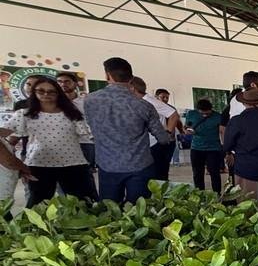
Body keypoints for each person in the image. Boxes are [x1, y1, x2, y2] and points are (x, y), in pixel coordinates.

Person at [85, 57, 168, 204]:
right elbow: (162, 138)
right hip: (140, 165)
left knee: (110, 209)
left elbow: (89, 127)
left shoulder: (90, 100)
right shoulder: (144, 105)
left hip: (107, 165)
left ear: (107, 76)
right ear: (131, 78)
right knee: (138, 210)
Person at [9, 77, 96, 207]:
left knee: (83, 203)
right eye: (41, 91)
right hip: (39, 164)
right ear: (34, 92)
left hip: (73, 163)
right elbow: (8, 137)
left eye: (51, 91)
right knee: (39, 204)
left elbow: (87, 135)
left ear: (58, 93)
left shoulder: (72, 113)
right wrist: (14, 163)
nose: (46, 94)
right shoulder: (24, 114)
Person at [134, 81, 181, 182]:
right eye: (163, 97)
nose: (165, 99)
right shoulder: (137, 101)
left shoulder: (150, 101)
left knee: (159, 174)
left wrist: (168, 133)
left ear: (132, 88)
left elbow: (174, 115)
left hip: (156, 143)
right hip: (147, 144)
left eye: (166, 97)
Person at [56, 71, 95, 169]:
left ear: (75, 84)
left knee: (86, 171)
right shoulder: (53, 103)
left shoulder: (86, 101)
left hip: (85, 141)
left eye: (67, 81)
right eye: (59, 82)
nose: (63, 84)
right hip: (61, 142)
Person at [184, 99, 224, 193]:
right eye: (202, 113)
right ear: (197, 110)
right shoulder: (191, 114)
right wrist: (187, 131)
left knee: (215, 173)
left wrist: (224, 147)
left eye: (207, 113)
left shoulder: (218, 116)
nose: (205, 115)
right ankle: (199, 194)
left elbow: (222, 132)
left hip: (213, 149)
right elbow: (186, 127)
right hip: (196, 148)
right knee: (197, 173)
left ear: (211, 109)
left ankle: (217, 194)